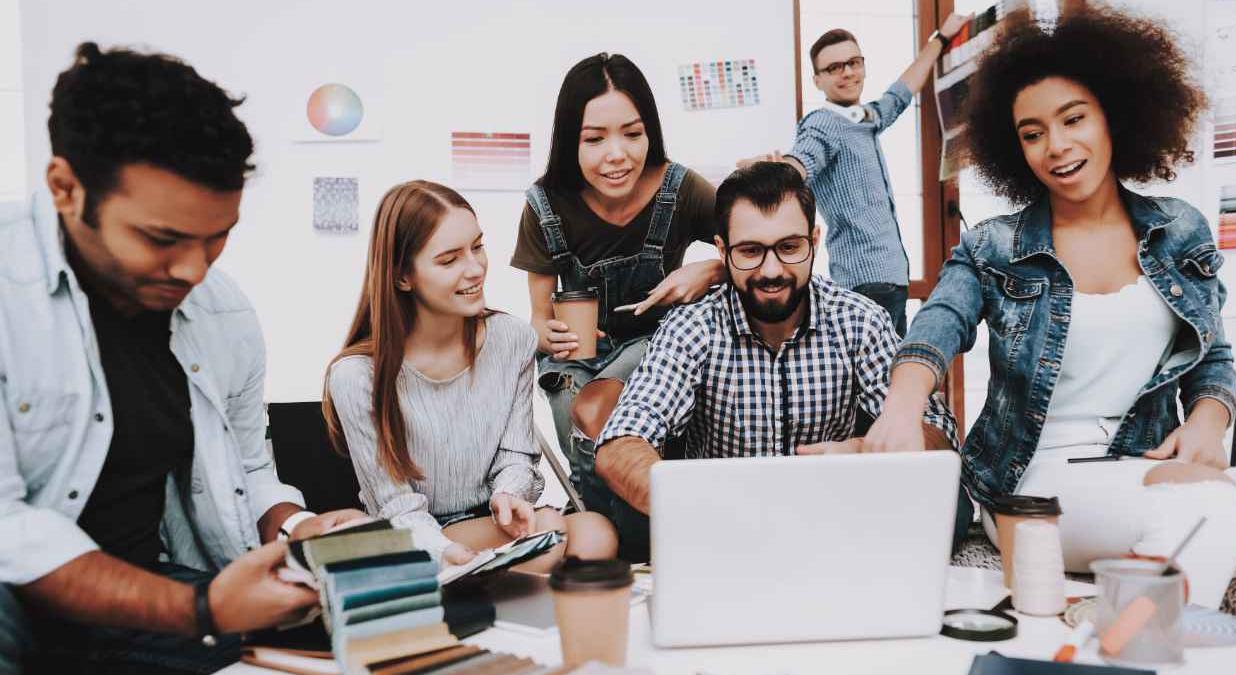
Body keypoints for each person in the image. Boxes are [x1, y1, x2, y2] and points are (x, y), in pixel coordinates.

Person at [867, 7, 1236, 630]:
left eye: (1074, 119)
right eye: (1033, 132)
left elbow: (1213, 361)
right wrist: (901, 405)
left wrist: (1208, 422)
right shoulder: (996, 245)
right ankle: (1142, 658)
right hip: (1031, 482)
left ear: (1113, 116)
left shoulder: (1179, 230)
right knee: (1203, 508)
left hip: (1146, 466)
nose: (1058, 146)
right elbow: (938, 323)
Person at [0, 43, 369, 674]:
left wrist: (299, 530)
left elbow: (250, 470)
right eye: (161, 239)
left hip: (149, 610)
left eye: (218, 235)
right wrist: (200, 609)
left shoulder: (224, 313)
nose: (194, 269)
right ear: (64, 187)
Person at [592, 162, 965, 562]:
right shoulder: (692, 327)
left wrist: (864, 453)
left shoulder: (859, 320)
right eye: (751, 251)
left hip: (838, 525)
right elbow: (620, 444)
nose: (771, 271)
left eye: (789, 247)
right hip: (719, 534)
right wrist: (702, 507)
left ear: (814, 242)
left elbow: (938, 433)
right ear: (722, 251)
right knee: (632, 521)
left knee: (953, 507)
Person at [326, 181, 618, 570]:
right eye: (449, 260)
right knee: (551, 536)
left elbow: (517, 454)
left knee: (596, 532)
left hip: (489, 520)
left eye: (477, 247)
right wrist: (444, 550)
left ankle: (494, 593)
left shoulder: (512, 338)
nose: (475, 268)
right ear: (402, 276)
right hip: (413, 536)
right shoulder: (356, 376)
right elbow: (396, 508)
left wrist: (509, 495)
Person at [511, 53, 724, 500]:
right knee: (575, 410)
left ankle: (648, 526)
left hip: (658, 346)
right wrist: (547, 334)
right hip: (580, 355)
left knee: (609, 418)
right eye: (594, 139)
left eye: (632, 134)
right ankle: (603, 528)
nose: (616, 155)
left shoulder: (680, 190)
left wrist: (712, 268)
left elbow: (751, 248)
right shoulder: (544, 205)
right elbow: (537, 318)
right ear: (571, 141)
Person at [739, 14, 970, 337]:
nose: (847, 72)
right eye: (834, 68)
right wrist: (769, 169)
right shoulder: (824, 123)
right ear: (817, 80)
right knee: (880, 383)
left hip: (888, 278)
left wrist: (941, 39)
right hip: (866, 283)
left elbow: (901, 92)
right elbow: (800, 165)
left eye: (853, 62)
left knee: (887, 379)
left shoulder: (865, 118)